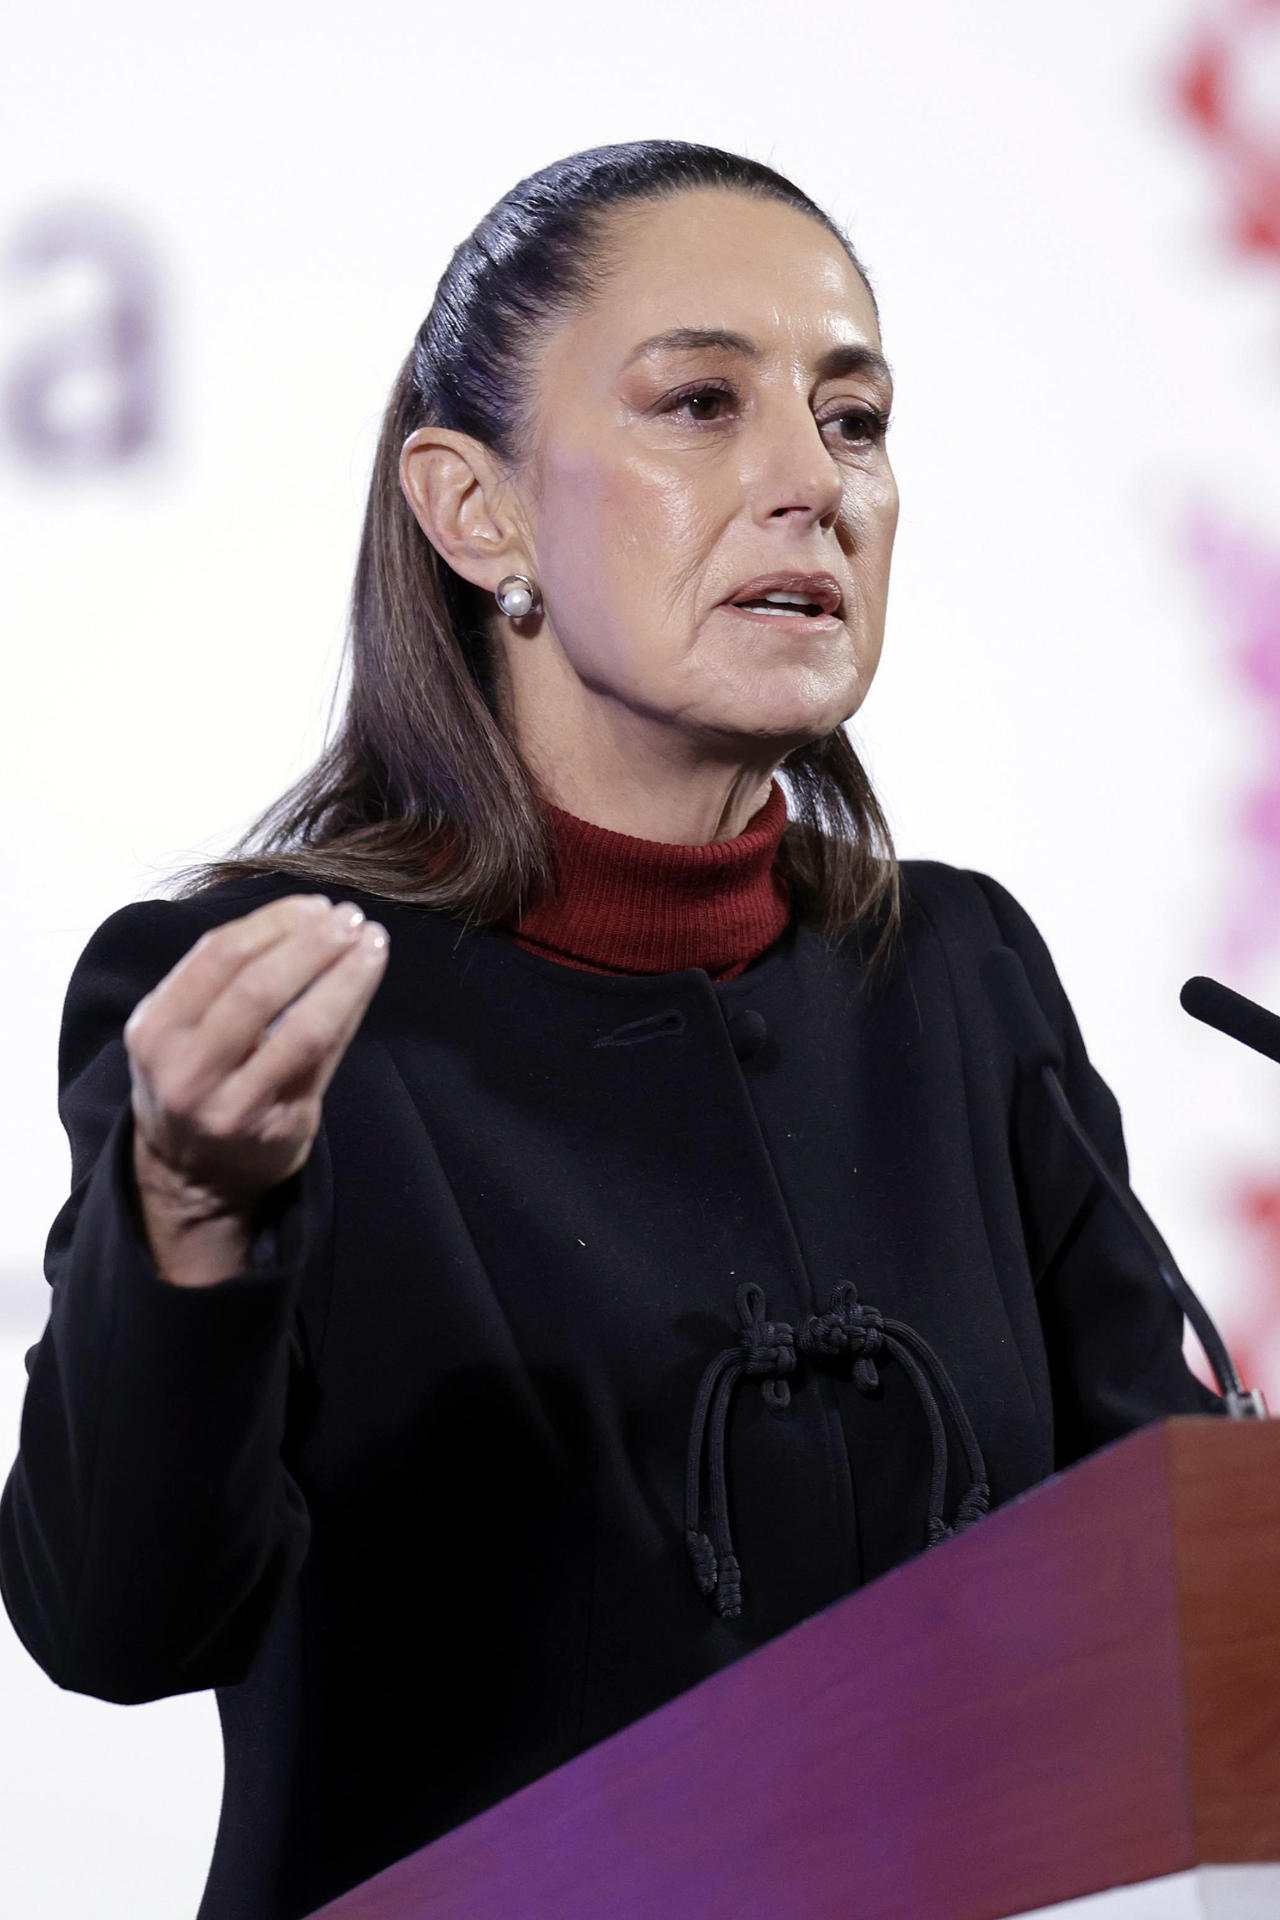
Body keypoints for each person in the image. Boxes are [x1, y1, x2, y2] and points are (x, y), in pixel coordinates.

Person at [0, 139, 1223, 1920]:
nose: (815, 484)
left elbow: (1174, 1583)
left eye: (857, 418)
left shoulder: (961, 975)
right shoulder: (252, 1002)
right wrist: (188, 1222)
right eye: (704, 404)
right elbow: (113, 1624)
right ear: (474, 510)